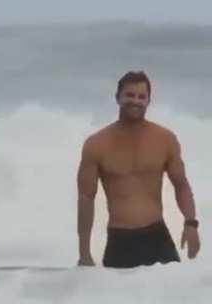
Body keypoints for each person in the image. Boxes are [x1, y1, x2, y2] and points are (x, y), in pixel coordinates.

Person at [77, 71, 201, 268]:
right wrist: (84, 254)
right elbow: (85, 199)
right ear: (118, 98)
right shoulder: (96, 144)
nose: (135, 101)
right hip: (120, 240)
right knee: (120, 299)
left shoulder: (165, 139)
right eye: (129, 95)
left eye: (141, 97)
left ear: (148, 101)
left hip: (157, 236)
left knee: (176, 297)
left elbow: (181, 185)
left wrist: (191, 223)